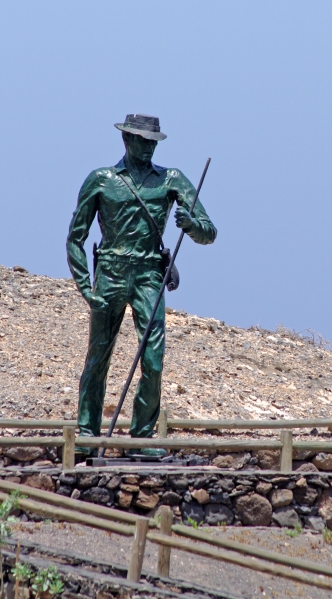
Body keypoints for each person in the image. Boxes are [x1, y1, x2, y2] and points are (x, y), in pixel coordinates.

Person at [66, 114, 216, 457]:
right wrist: (86, 288)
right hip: (110, 273)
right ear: (126, 139)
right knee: (97, 358)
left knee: (154, 360)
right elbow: (75, 239)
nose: (148, 147)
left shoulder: (171, 179)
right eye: (142, 140)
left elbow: (209, 232)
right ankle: (87, 434)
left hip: (149, 275)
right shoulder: (101, 180)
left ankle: (142, 436)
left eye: (153, 142)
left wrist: (191, 224)